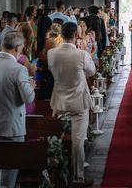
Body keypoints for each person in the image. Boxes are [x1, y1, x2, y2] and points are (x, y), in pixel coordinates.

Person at [0, 32, 36, 188]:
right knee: (9, 170)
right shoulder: (19, 69)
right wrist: (31, 86)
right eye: (22, 49)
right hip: (12, 127)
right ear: (17, 48)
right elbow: (28, 98)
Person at [48, 22, 96, 188]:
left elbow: (52, 70)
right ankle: (78, 178)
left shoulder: (51, 53)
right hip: (78, 102)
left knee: (57, 138)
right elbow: (92, 72)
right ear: (76, 35)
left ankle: (59, 172)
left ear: (62, 35)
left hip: (59, 101)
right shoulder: (81, 55)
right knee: (78, 141)